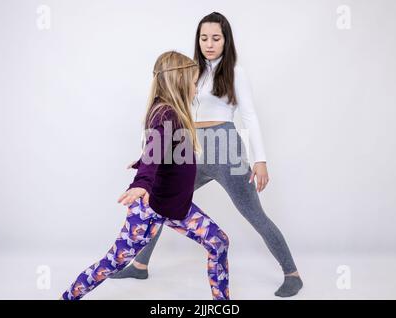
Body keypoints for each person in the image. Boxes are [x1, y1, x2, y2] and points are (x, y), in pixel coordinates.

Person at [110, 12, 303, 298]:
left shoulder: (234, 70)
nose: (209, 44)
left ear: (226, 40)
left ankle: (292, 274)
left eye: (216, 38)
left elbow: (249, 115)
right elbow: (170, 112)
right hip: (190, 146)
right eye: (204, 38)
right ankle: (139, 264)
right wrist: (146, 157)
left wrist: (260, 160)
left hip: (226, 147)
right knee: (158, 202)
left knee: (253, 213)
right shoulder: (188, 70)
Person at [61, 51, 230, 300]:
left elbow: (162, 150)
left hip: (174, 205)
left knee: (218, 242)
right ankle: (68, 296)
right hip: (149, 206)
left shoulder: (172, 112)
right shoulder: (166, 114)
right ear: (180, 82)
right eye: (194, 82)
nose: (196, 88)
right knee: (113, 262)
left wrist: (142, 162)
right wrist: (142, 180)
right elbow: (155, 150)